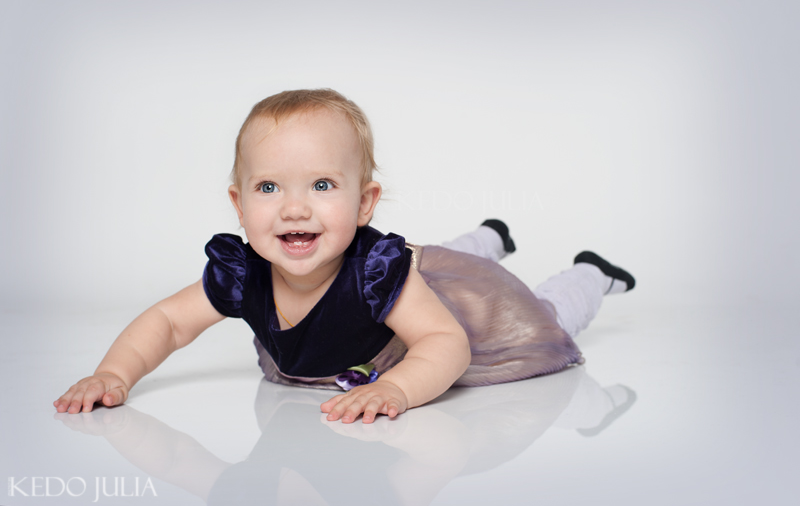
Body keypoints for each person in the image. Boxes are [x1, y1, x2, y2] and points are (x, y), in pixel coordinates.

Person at [54, 89, 635, 424]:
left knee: (539, 310)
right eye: (268, 187)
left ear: (365, 204)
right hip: (417, 282)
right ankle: (490, 235)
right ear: (239, 204)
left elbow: (447, 343)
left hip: (468, 314)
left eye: (322, 185)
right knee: (441, 260)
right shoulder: (242, 273)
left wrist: (398, 389)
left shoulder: (376, 271)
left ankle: (591, 274)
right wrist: (113, 373)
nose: (294, 209)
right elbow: (168, 321)